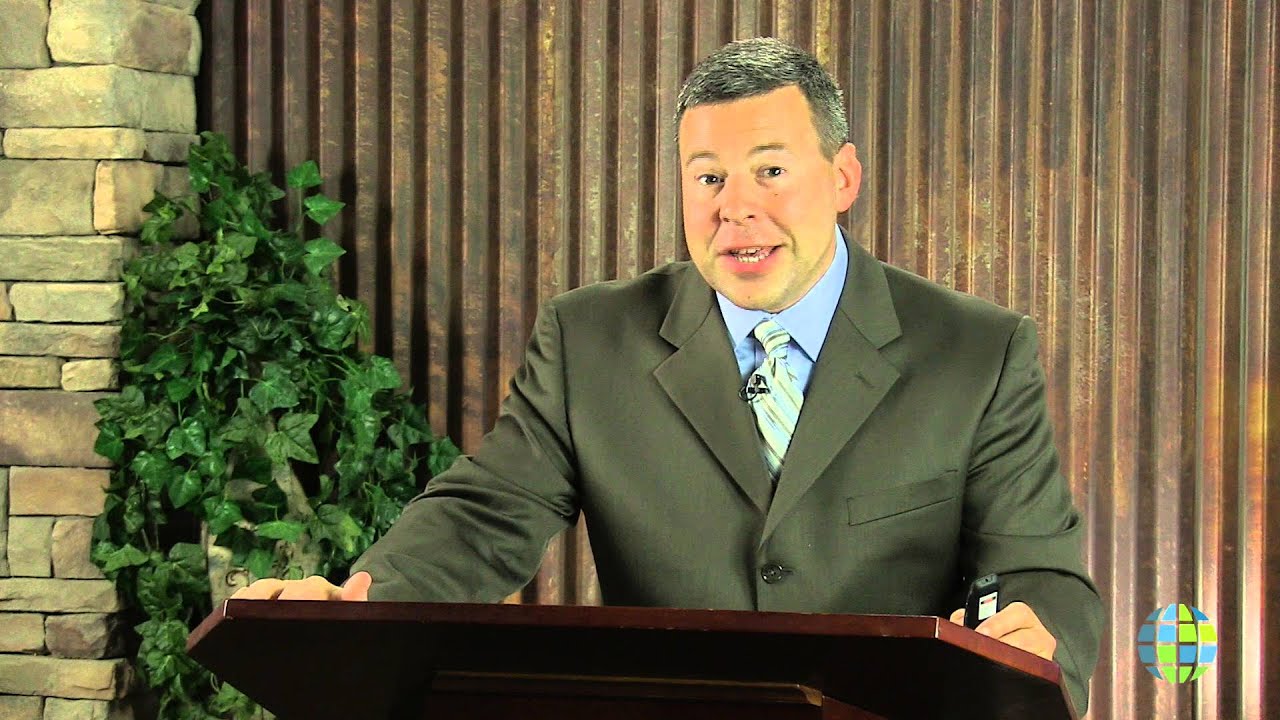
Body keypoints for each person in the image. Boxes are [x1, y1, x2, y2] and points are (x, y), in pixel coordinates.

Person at [234, 37, 1103, 713]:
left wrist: (1042, 644)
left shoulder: (977, 352)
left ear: (842, 177)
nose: (736, 207)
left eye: (770, 171)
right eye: (708, 177)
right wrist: (358, 601)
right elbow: (486, 513)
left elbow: (1040, 571)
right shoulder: (590, 341)